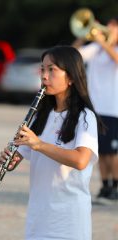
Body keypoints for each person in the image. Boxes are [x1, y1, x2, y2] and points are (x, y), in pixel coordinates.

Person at [0, 45, 103, 240]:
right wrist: (10, 159)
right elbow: (21, 154)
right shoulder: (40, 115)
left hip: (69, 219)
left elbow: (81, 160)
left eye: (52, 70)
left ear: (71, 77)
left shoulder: (84, 117)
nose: (44, 76)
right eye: (42, 69)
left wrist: (39, 144)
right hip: (38, 216)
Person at [73, 17, 118, 203]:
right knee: (101, 150)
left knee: (113, 152)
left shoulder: (112, 50)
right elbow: (72, 54)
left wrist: (103, 43)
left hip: (113, 108)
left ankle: (116, 187)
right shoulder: (95, 50)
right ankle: (105, 186)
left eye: (112, 28)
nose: (107, 30)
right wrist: (84, 36)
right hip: (94, 108)